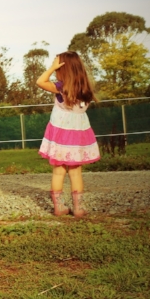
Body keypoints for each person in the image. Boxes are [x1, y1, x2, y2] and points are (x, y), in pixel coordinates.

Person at [36, 51, 100, 217]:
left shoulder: (60, 88)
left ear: (63, 68)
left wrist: (51, 68)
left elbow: (40, 81)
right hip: (78, 138)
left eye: (58, 66)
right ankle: (78, 208)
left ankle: (59, 207)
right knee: (75, 172)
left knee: (59, 172)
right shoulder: (86, 89)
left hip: (60, 138)